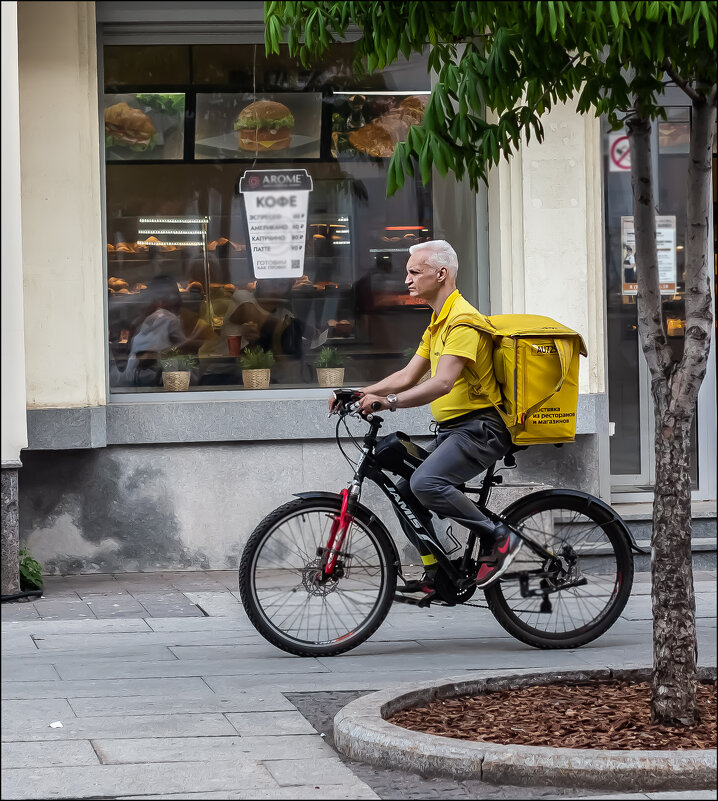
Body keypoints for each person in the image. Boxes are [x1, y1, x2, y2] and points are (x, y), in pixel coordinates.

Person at [329, 239, 522, 592]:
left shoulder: (462, 322)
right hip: (454, 430)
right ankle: (439, 574)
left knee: (424, 483)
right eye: (408, 272)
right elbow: (407, 376)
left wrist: (388, 402)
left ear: (441, 273)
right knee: (405, 491)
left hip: (481, 428)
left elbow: (443, 382)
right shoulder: (438, 322)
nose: (406, 279)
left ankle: (499, 538)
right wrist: (362, 392)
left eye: (414, 272)